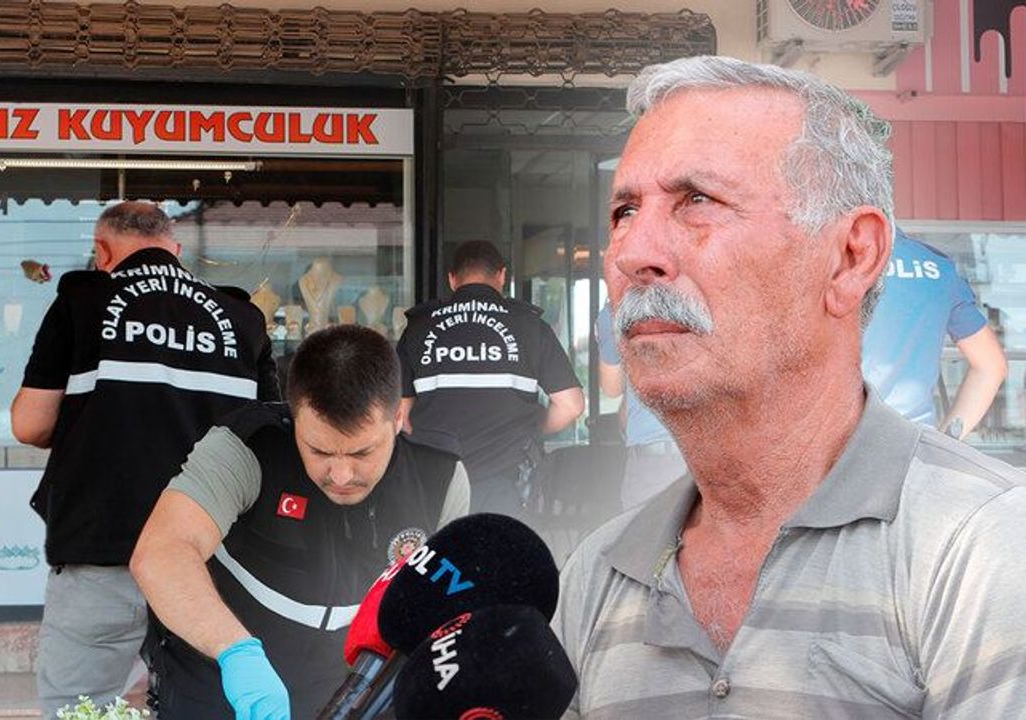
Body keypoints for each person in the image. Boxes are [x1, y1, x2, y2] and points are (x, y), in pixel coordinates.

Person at [553, 55, 1026, 717]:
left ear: (851, 256)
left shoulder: (985, 546)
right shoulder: (599, 573)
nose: (633, 253)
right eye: (624, 210)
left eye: (697, 201)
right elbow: (989, 366)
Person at [9, 201, 279, 718]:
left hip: (102, 548)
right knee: (205, 707)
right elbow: (268, 433)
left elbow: (29, 424)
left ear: (102, 252)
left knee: (80, 709)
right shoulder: (243, 318)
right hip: (208, 563)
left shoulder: (82, 301)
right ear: (174, 250)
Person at [130, 325, 470, 719]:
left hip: (353, 696)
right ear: (295, 416)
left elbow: (450, 603)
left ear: (398, 418)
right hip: (224, 684)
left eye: (361, 453)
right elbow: (162, 552)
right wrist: (236, 653)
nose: (341, 475)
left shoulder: (440, 477)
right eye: (319, 451)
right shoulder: (246, 447)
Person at [395, 240, 583, 516]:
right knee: (499, 545)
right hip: (504, 483)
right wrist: (527, 428)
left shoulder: (419, 327)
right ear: (502, 275)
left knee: (444, 546)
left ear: (452, 279)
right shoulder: (529, 325)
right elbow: (572, 406)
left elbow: (402, 416)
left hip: (435, 481)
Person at [863, 228, 1007, 436]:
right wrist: (947, 439)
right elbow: (992, 366)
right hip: (914, 442)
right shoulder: (939, 267)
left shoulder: (829, 262)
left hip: (840, 444)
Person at [595, 301, 685, 509]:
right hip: (712, 457)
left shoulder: (618, 306)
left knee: (647, 529)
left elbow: (612, 387)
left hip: (654, 464)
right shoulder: (717, 295)